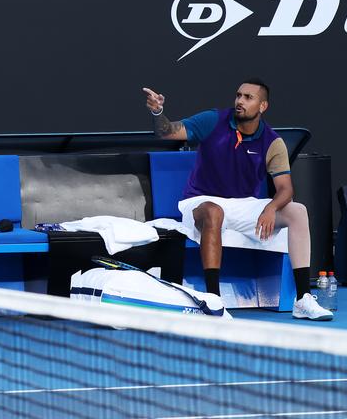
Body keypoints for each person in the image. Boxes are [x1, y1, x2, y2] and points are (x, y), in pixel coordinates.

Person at [142, 81, 333, 321]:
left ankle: (303, 299)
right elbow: (167, 131)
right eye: (238, 95)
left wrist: (270, 209)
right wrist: (158, 112)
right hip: (202, 202)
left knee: (297, 211)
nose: (240, 101)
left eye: (249, 97)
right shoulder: (212, 120)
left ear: (263, 106)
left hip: (246, 205)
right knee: (214, 212)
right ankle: (214, 302)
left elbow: (285, 189)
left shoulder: (273, 142)